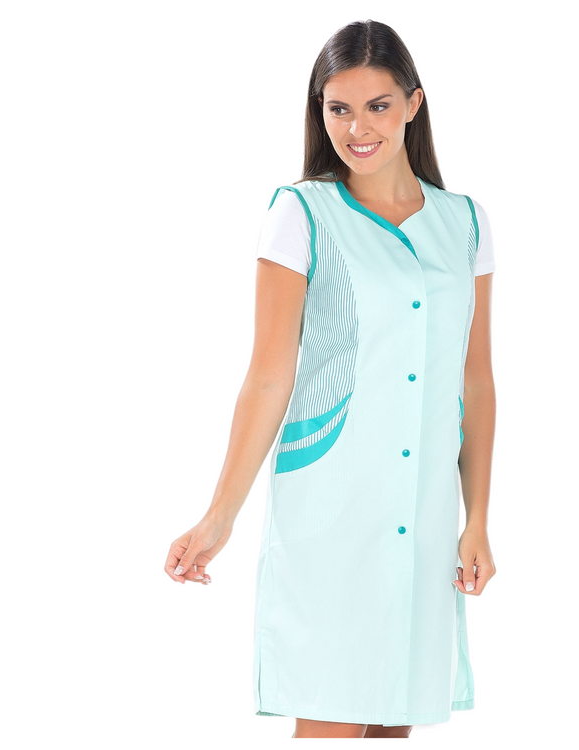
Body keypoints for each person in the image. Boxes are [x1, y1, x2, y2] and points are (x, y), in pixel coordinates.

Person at [165, 19, 497, 740]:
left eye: (378, 106)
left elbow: (475, 382)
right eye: (338, 108)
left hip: (425, 521)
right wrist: (219, 515)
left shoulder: (463, 224)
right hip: (331, 513)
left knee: (392, 729)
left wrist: (476, 520)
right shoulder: (301, 213)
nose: (356, 128)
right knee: (333, 726)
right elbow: (268, 376)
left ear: (413, 104)